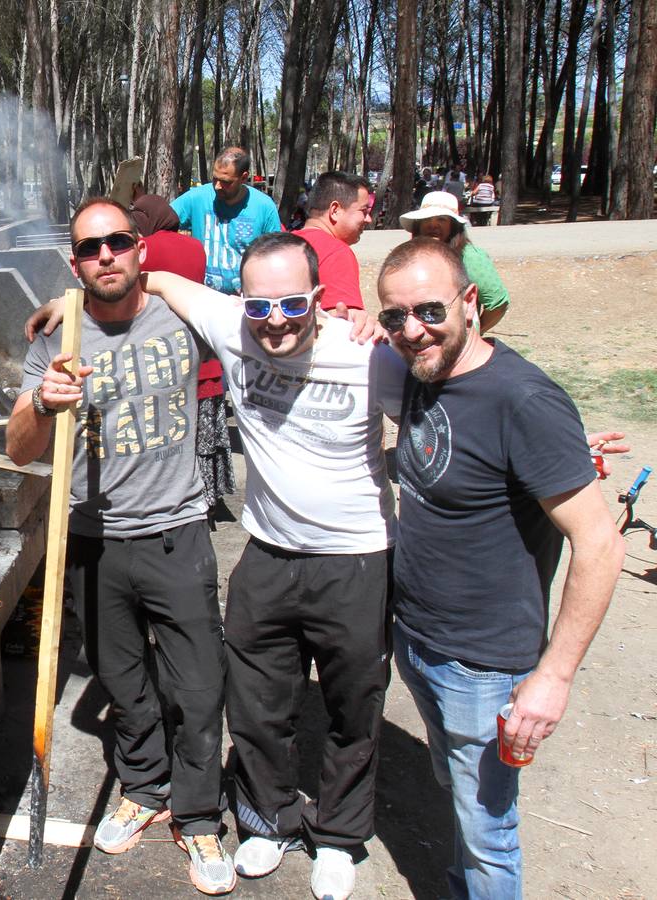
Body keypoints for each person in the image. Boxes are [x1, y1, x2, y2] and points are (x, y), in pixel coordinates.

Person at [142, 233, 403, 900]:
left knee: (352, 709)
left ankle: (340, 837)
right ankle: (268, 820)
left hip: (356, 558)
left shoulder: (369, 354)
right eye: (261, 306)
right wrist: (67, 301)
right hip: (267, 554)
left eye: (292, 303)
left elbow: (453, 393)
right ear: (243, 303)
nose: (276, 320)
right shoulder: (235, 325)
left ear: (320, 297)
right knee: (257, 705)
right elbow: (161, 280)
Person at [377, 239, 624, 899]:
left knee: (489, 832)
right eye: (393, 316)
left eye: (429, 310)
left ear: (469, 303)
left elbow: (601, 544)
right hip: (420, 639)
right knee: (458, 794)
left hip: (483, 664)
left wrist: (554, 678)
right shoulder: (419, 367)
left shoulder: (524, 399)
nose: (411, 329)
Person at [6, 197, 236, 895]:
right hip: (92, 542)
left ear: (142, 248)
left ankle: (198, 817)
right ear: (74, 261)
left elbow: (260, 315)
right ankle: (145, 785)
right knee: (126, 683)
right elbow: (18, 449)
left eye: (118, 242)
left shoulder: (181, 311)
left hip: (177, 532)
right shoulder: (57, 334)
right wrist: (43, 403)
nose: (104, 254)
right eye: (88, 248)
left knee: (198, 687)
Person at [127, 192, 235, 517]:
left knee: (174, 431)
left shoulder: (147, 249)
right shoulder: (195, 246)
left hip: (165, 350)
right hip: (202, 344)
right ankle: (209, 498)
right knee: (206, 426)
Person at [169, 147, 282, 294]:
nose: (217, 186)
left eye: (225, 182)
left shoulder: (264, 207)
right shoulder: (196, 198)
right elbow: (161, 220)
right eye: (215, 179)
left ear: (243, 178)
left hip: (245, 302)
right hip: (202, 298)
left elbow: (275, 256)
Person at [400, 191, 510, 332]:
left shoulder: (469, 257)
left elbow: (497, 303)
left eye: (441, 219)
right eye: (427, 219)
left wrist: (475, 332)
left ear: (453, 226)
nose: (433, 226)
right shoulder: (412, 256)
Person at [292, 172, 373, 316]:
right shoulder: (336, 253)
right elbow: (344, 323)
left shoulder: (284, 245)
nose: (369, 219)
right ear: (335, 210)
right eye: (364, 211)